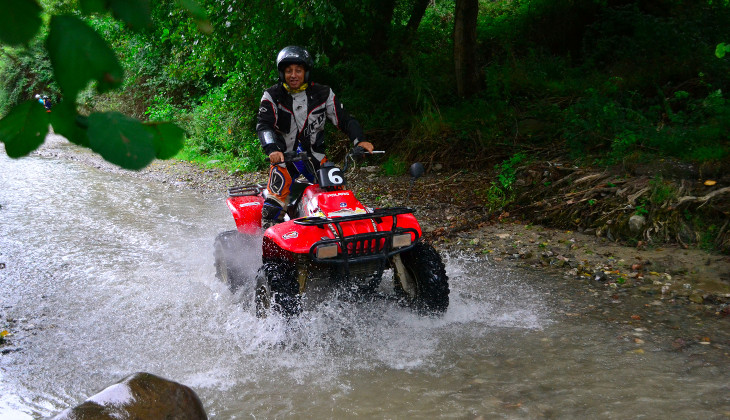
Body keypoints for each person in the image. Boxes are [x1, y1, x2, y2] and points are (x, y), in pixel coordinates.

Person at [256, 45, 374, 228]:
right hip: (284, 157)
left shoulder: (323, 93)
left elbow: (344, 120)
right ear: (282, 73)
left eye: (298, 70)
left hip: (316, 157)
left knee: (337, 196)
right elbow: (264, 125)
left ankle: (340, 235)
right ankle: (266, 244)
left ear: (306, 72)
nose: (293, 75)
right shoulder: (272, 95)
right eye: (288, 71)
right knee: (273, 205)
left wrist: (360, 140)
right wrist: (271, 148)